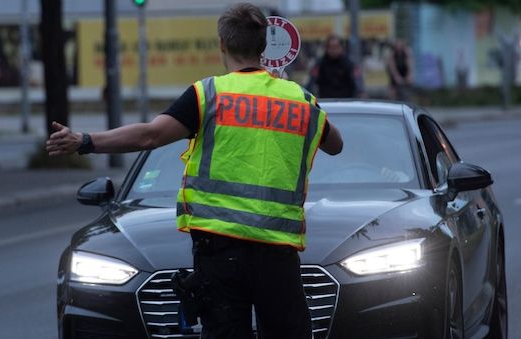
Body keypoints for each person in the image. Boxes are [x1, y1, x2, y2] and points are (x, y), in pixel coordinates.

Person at [46, 3, 343, 338]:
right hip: (278, 252)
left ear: (222, 44)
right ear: (264, 48)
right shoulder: (300, 99)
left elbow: (150, 135)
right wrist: (290, 90)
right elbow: (335, 144)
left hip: (220, 251)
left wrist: (85, 140)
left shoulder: (209, 94)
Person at [313, 34, 356, 98]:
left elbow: (357, 82)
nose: (333, 50)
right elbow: (312, 81)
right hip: (326, 101)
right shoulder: (320, 64)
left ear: (342, 48)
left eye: (336, 47)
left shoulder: (349, 63)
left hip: (346, 101)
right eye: (330, 47)